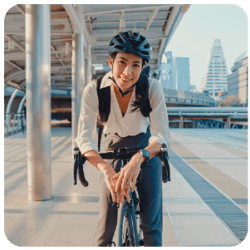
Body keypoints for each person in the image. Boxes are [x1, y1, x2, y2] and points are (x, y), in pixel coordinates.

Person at [75, 30, 171, 247]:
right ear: (111, 61)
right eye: (122, 62)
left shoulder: (151, 88)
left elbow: (162, 135)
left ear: (143, 67)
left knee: (151, 221)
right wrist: (105, 169)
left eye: (136, 65)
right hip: (112, 146)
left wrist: (140, 158)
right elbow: (84, 138)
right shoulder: (95, 90)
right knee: (106, 223)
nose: (128, 72)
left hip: (146, 147)